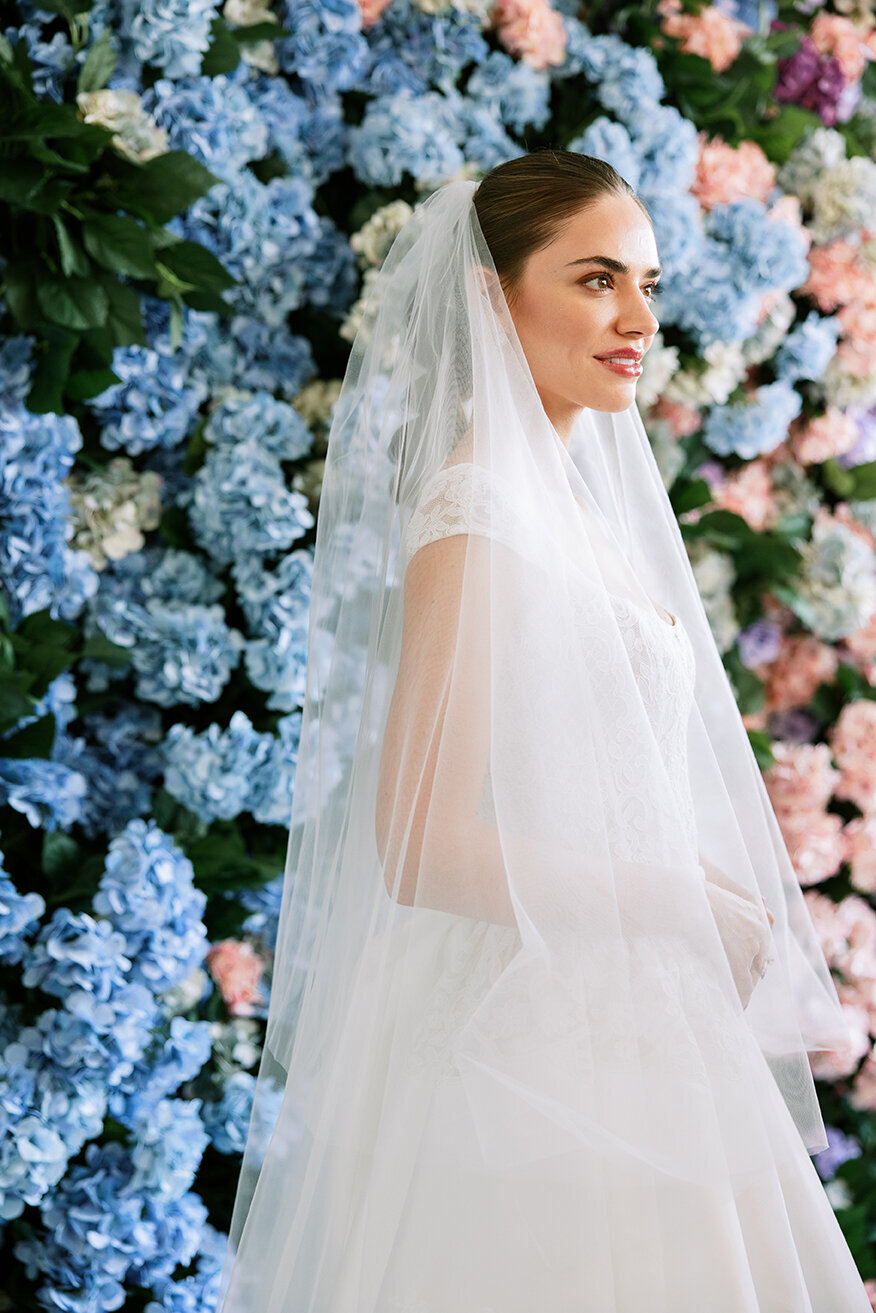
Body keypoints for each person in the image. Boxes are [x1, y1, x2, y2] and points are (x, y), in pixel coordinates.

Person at [214, 150, 871, 1312]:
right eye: (596, 279)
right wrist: (672, 897)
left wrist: (711, 890)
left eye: (650, 286)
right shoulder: (476, 510)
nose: (635, 319)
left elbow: (602, 779)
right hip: (524, 1047)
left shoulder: (581, 507)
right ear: (489, 295)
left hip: (634, 1017)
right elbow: (419, 843)